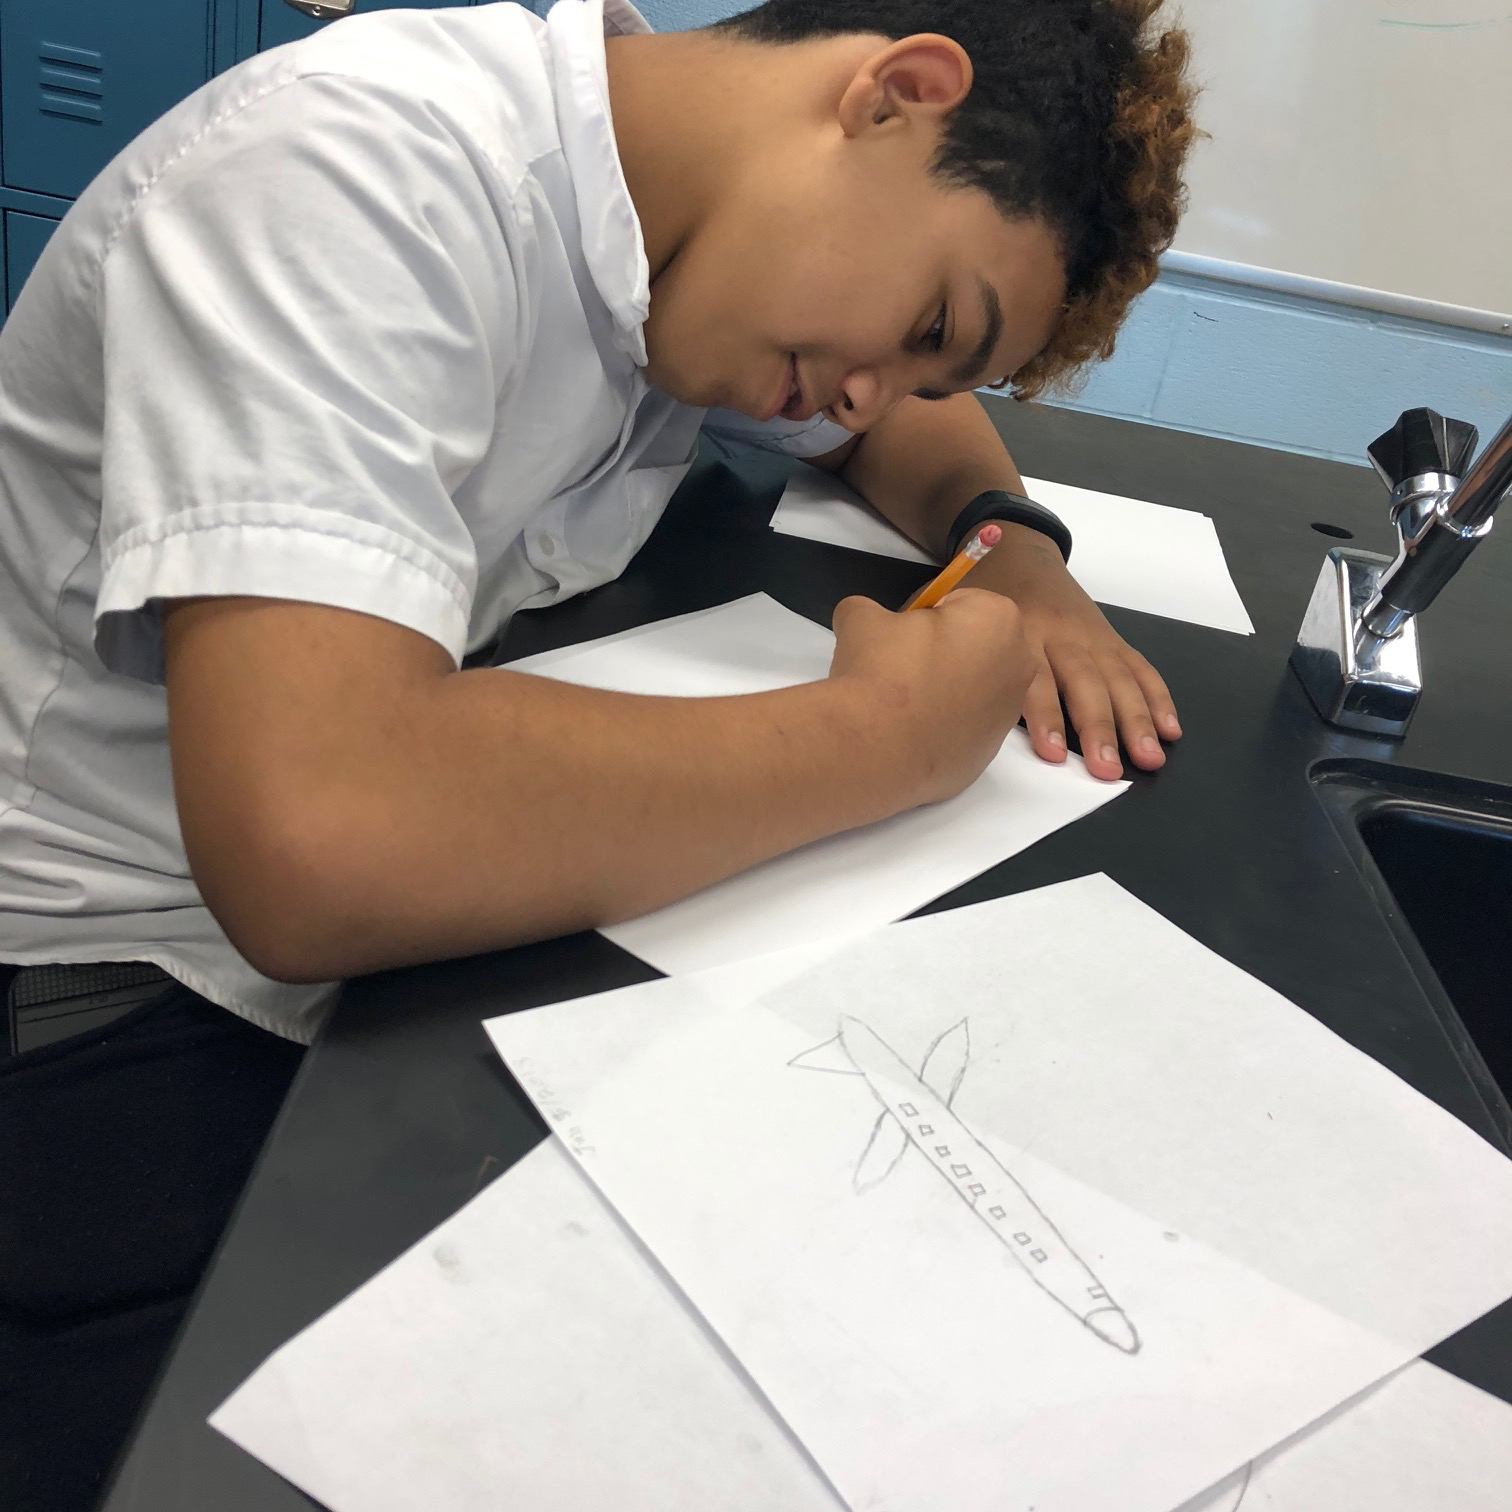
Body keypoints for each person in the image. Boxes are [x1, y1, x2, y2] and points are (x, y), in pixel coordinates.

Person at [0, 1, 1195, 1501]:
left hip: (339, 959)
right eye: (931, 327)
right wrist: (890, 738)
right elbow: (321, 836)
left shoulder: (684, 220)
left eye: (929, 367)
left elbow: (884, 431)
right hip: (106, 988)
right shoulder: (351, 179)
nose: (864, 393)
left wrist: (1014, 550)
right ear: (894, 94)